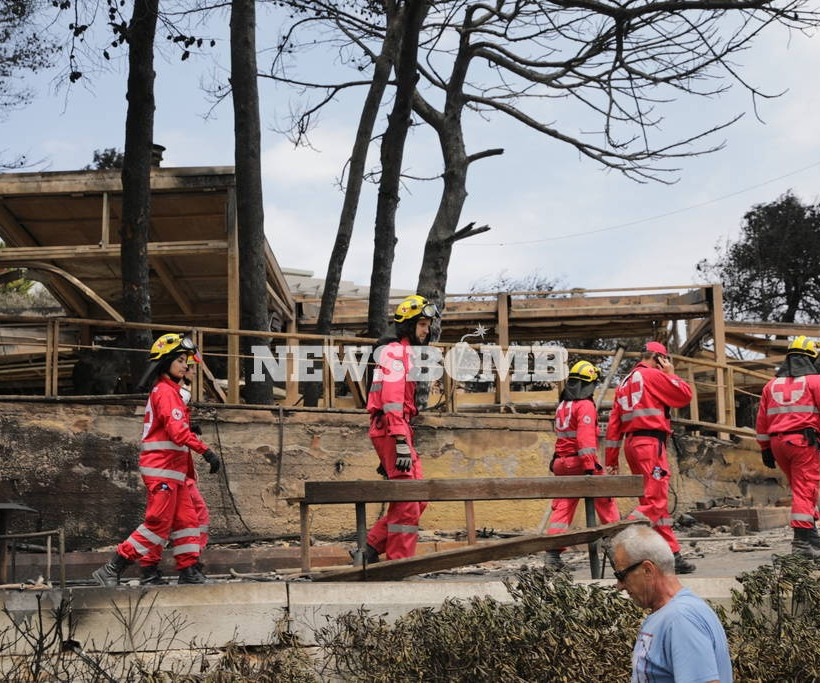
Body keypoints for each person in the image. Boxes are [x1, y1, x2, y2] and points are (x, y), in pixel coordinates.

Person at [92, 333, 222, 586]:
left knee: (187, 521)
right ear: (166, 363)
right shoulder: (165, 392)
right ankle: (112, 567)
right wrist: (205, 451)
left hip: (173, 471)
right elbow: (176, 432)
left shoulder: (170, 392)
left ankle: (188, 571)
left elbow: (172, 428)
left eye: (186, 361)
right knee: (158, 522)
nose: (186, 365)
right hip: (162, 470)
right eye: (181, 360)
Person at [357, 295, 439, 563]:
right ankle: (398, 563)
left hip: (395, 429)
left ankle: (370, 548)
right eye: (423, 324)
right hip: (394, 429)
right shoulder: (395, 352)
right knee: (407, 501)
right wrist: (399, 440)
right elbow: (391, 400)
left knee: (417, 498)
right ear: (408, 325)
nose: (427, 331)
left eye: (428, 325)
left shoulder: (400, 352)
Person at [605, 341, 696, 574]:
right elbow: (684, 395)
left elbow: (614, 426)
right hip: (650, 444)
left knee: (656, 504)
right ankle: (619, 536)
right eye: (665, 360)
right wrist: (671, 374)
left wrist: (612, 460)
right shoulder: (653, 376)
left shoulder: (624, 383)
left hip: (632, 444)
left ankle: (672, 554)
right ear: (658, 358)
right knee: (655, 502)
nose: (667, 364)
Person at [611, 525, 733, 683]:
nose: (619, 586)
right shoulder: (669, 614)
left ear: (647, 570)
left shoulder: (681, 619)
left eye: (621, 575)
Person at [545, 360, 620, 568]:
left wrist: (555, 459)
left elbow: (562, 436)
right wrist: (591, 466)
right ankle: (615, 545)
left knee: (563, 507)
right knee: (605, 497)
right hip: (579, 462)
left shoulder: (563, 405)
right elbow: (585, 440)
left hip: (562, 462)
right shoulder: (585, 405)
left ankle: (553, 554)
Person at [756, 335, 820, 559]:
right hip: (803, 443)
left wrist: (764, 448)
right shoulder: (815, 382)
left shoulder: (770, 385)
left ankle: (811, 538)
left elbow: (762, 420)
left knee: (802, 489)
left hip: (778, 445)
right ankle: (803, 545)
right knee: (805, 490)